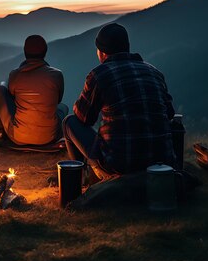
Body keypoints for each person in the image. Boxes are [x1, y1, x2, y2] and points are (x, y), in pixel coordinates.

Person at [63, 23, 175, 178]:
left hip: (119, 165)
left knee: (70, 122)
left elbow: (84, 118)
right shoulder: (154, 72)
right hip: (162, 164)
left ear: (102, 52)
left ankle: (84, 177)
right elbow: (169, 113)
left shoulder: (99, 75)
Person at [0, 34, 68, 146]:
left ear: (25, 53)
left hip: (19, 137)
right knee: (63, 108)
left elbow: (12, 97)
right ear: (45, 53)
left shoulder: (15, 74)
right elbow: (58, 100)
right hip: (50, 138)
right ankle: (62, 140)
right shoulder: (57, 75)